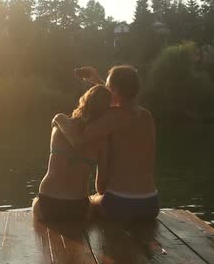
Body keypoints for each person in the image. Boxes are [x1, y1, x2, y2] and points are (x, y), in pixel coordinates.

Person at [53, 65, 159, 222]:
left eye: (108, 87)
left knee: (90, 200)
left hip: (121, 203)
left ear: (115, 90)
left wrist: (60, 119)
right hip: (151, 203)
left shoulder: (113, 117)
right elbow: (118, 99)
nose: (106, 91)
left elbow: (79, 141)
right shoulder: (146, 116)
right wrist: (98, 81)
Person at [32, 85, 112, 222]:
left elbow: (73, 138)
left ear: (84, 101)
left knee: (35, 202)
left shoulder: (61, 120)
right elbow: (101, 187)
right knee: (94, 201)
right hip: (77, 207)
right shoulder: (102, 142)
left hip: (46, 204)